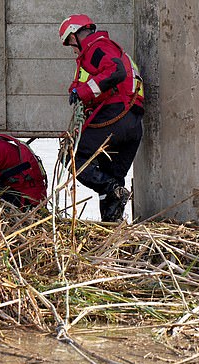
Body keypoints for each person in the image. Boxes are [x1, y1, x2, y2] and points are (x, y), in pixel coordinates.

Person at [59, 14, 145, 222]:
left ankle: (111, 189)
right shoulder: (107, 49)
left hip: (115, 116)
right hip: (132, 125)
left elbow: (116, 71)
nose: (72, 48)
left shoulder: (96, 48)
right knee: (112, 178)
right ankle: (111, 229)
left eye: (70, 41)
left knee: (70, 156)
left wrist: (83, 93)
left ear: (77, 33)